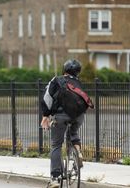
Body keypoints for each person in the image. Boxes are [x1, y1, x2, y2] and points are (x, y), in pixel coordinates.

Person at [40, 59, 85, 188]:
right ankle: (77, 151)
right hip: (78, 116)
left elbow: (47, 97)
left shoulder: (57, 80)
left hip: (60, 116)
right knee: (73, 131)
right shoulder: (78, 83)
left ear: (64, 70)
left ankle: (55, 177)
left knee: (56, 145)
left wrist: (45, 115)